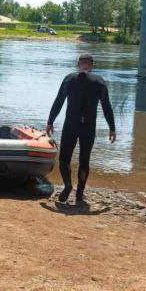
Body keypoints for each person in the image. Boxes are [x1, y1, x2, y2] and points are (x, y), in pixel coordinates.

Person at [45, 53, 116, 204]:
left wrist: (50, 121)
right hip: (88, 126)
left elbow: (58, 101)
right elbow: (106, 106)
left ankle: (68, 185)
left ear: (78, 64)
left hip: (71, 124)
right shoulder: (99, 81)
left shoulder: (69, 79)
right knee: (85, 160)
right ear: (92, 65)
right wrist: (112, 128)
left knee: (64, 159)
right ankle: (80, 194)